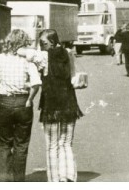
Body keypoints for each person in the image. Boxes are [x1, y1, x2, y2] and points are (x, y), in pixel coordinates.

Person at [0, 29, 41, 182]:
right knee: (21, 144)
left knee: (4, 142)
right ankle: (18, 181)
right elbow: (36, 83)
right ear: (24, 43)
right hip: (22, 102)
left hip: (4, 102)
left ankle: (1, 181)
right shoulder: (28, 61)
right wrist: (30, 99)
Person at [37, 29, 83, 182]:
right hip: (69, 103)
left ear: (51, 41)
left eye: (43, 43)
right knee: (66, 143)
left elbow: (25, 53)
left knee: (52, 145)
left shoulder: (44, 56)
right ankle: (68, 176)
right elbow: (73, 76)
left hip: (51, 105)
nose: (41, 46)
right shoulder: (68, 53)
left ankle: (54, 180)